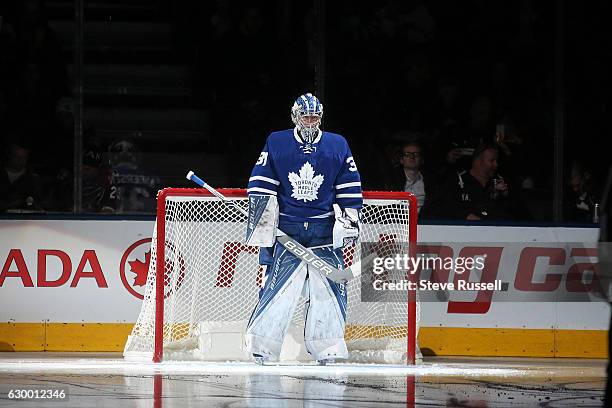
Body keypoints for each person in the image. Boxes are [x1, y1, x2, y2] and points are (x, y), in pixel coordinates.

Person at [244, 93, 362, 365]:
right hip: (288, 227)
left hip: (323, 228)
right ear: (295, 116)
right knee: (278, 290)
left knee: (329, 288)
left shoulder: (337, 144)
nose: (310, 122)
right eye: (306, 116)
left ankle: (328, 347)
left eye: (315, 117)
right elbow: (262, 183)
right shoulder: (277, 141)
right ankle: (263, 347)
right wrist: (263, 223)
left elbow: (349, 185)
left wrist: (349, 220)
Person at [424, 143, 523, 221]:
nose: (496, 165)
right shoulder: (458, 181)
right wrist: (465, 215)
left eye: (496, 161)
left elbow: (517, 212)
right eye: (492, 161)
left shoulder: (500, 182)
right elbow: (441, 207)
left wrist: (506, 195)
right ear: (477, 161)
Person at [0, 141, 43, 212]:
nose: (20, 160)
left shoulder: (33, 180)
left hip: (22, 221)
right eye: (16, 156)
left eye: (23, 157)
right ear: (9, 155)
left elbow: (36, 204)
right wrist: (9, 204)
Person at [388, 141, 428, 213]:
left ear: (422, 159)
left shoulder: (430, 181)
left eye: (416, 154)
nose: (412, 157)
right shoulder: (391, 180)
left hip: (426, 222)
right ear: (401, 160)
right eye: (407, 154)